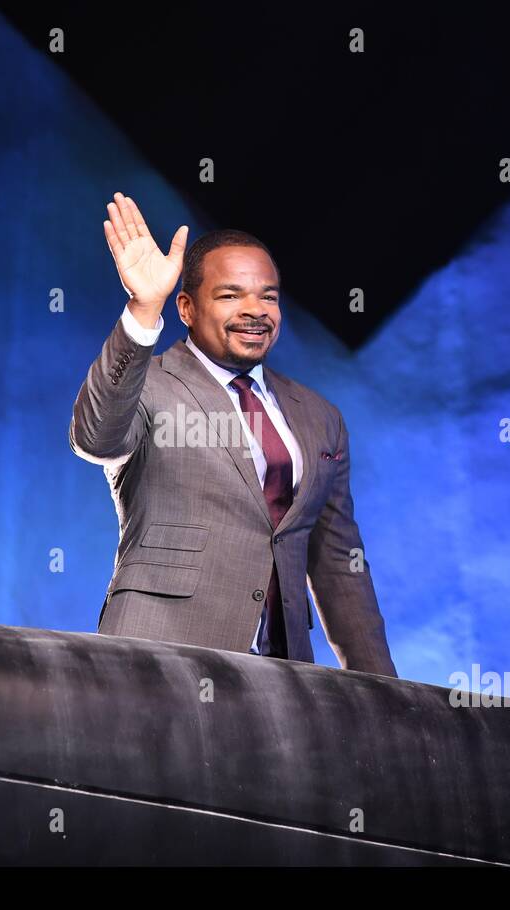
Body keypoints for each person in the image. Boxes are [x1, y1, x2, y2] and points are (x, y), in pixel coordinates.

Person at [68, 192, 397, 677]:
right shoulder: (150, 382)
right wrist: (142, 308)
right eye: (230, 295)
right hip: (157, 660)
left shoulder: (320, 417)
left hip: (282, 677)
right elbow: (96, 437)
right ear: (186, 307)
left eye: (268, 295)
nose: (255, 310)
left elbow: (338, 565)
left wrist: (384, 695)